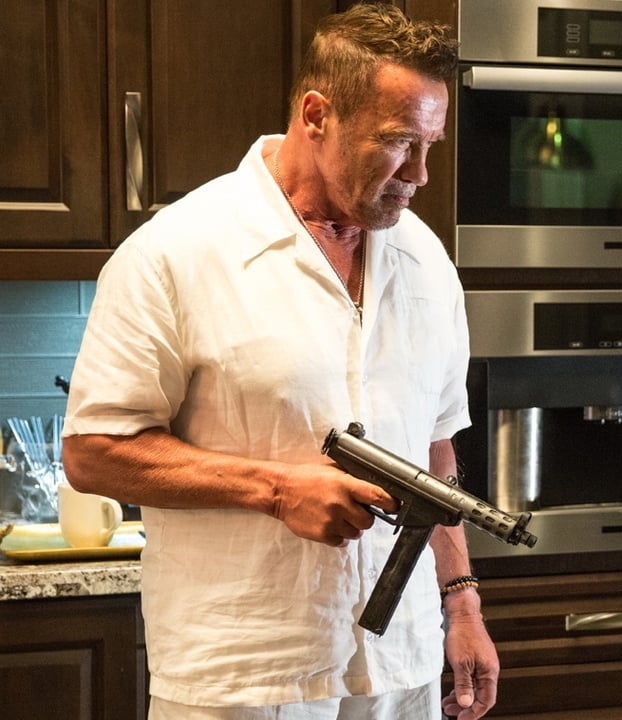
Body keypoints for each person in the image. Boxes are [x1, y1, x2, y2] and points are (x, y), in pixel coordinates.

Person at [60, 5, 496, 719]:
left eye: (431, 145)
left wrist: (462, 602)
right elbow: (93, 453)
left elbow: (434, 445)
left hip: (401, 664)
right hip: (247, 675)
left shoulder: (425, 258)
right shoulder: (177, 253)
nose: (420, 173)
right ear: (317, 115)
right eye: (397, 142)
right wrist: (275, 489)